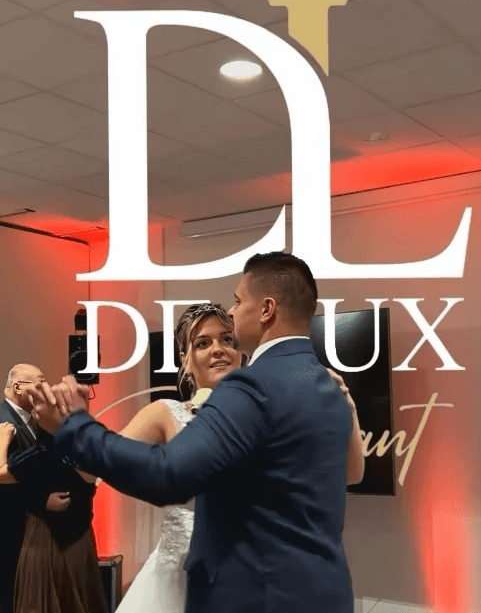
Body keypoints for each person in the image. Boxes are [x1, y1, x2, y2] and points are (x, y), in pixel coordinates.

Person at [29, 251, 364, 613]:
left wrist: (74, 426)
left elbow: (167, 474)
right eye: (202, 343)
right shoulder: (326, 385)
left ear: (267, 309)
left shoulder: (252, 387)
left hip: (257, 596)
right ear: (186, 358)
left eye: (238, 302)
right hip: (324, 593)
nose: (233, 312)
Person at [113, 303, 363, 613]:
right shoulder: (164, 414)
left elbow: (350, 474)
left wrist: (347, 408)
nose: (218, 349)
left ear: (240, 350)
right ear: (185, 358)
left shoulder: (273, 411)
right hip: (180, 582)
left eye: (227, 339)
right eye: (202, 343)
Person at [0, 413, 108, 613]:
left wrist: (2, 441)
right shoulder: (90, 452)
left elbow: (1, 474)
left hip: (43, 543)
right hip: (81, 542)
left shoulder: (39, 456)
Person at [0, 364, 76, 613]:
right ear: (17, 387)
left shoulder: (37, 423)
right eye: (40, 382)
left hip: (37, 536)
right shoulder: (2, 422)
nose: (46, 388)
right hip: (9, 532)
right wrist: (41, 501)